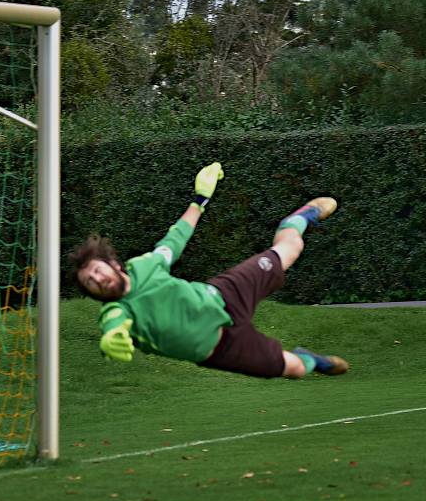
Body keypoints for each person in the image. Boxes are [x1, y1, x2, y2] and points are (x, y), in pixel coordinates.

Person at [68, 162, 349, 379]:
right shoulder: (116, 312)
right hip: (223, 349)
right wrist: (111, 337)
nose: (97, 279)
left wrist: (200, 198)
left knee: (289, 250)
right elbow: (115, 324)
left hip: (225, 295)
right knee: (296, 369)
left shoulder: (144, 266)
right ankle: (311, 360)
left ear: (113, 265)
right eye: (90, 282)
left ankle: (299, 218)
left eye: (96, 270)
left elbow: (175, 239)